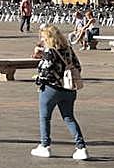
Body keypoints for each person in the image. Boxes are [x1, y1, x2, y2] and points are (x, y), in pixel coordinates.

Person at [31, 24, 88, 160]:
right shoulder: (68, 49)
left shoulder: (50, 52)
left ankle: (45, 146)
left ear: (48, 38)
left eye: (43, 38)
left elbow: (44, 71)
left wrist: (40, 63)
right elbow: (78, 66)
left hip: (51, 89)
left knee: (45, 117)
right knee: (69, 117)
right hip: (69, 89)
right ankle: (81, 148)